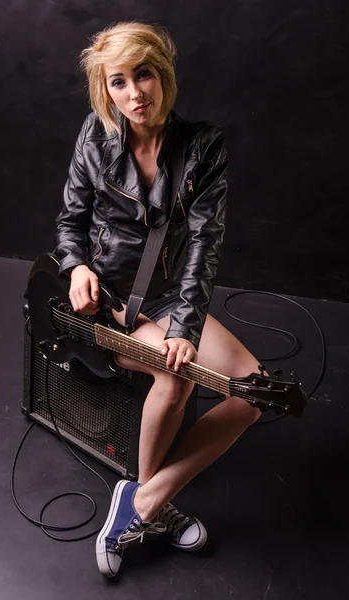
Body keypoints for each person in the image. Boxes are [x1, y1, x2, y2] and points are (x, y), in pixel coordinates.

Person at [55, 21, 261, 578]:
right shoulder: (94, 138)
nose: (135, 94)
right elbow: (72, 219)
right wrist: (75, 266)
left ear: (163, 75)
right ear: (106, 91)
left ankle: (143, 500)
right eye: (118, 82)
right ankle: (155, 508)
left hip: (170, 296)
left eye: (143, 75)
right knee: (176, 378)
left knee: (252, 389)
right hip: (109, 300)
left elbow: (204, 244)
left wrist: (185, 327)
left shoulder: (203, 146)